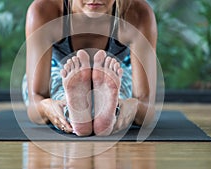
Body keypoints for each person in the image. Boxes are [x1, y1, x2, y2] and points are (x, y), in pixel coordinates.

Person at [24, 0, 157, 136]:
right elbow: (35, 101)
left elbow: (146, 105)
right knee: (59, 86)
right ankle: (71, 109)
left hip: (115, 72)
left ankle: (111, 108)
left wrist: (132, 107)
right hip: (59, 69)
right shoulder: (43, 11)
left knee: (121, 88)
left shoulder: (138, 13)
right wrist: (47, 107)